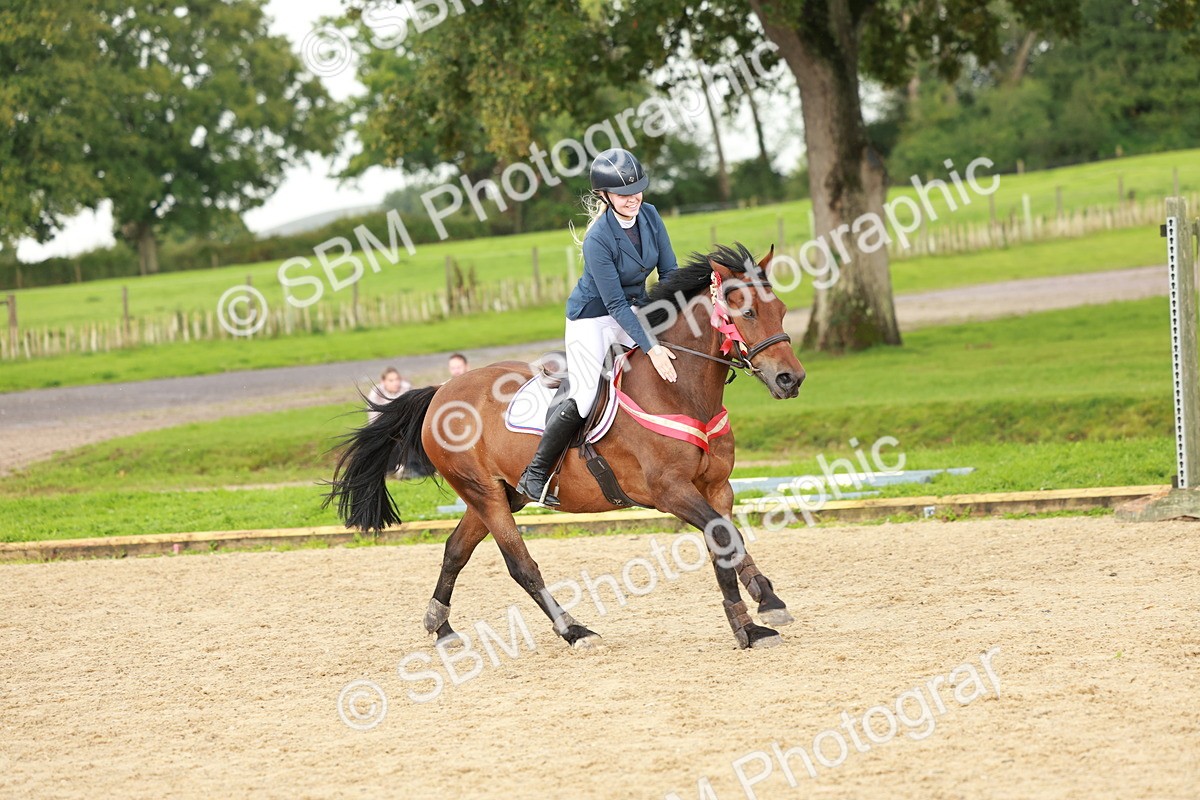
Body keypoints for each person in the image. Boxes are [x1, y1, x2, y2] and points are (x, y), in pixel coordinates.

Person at [516, 147, 680, 507]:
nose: (633, 198)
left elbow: (669, 275)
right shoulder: (598, 239)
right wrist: (651, 345)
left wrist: (676, 320)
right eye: (623, 194)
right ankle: (536, 473)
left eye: (637, 189)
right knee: (586, 393)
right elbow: (614, 304)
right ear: (605, 196)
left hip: (633, 309)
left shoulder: (651, 216)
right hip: (593, 318)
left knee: (669, 360)